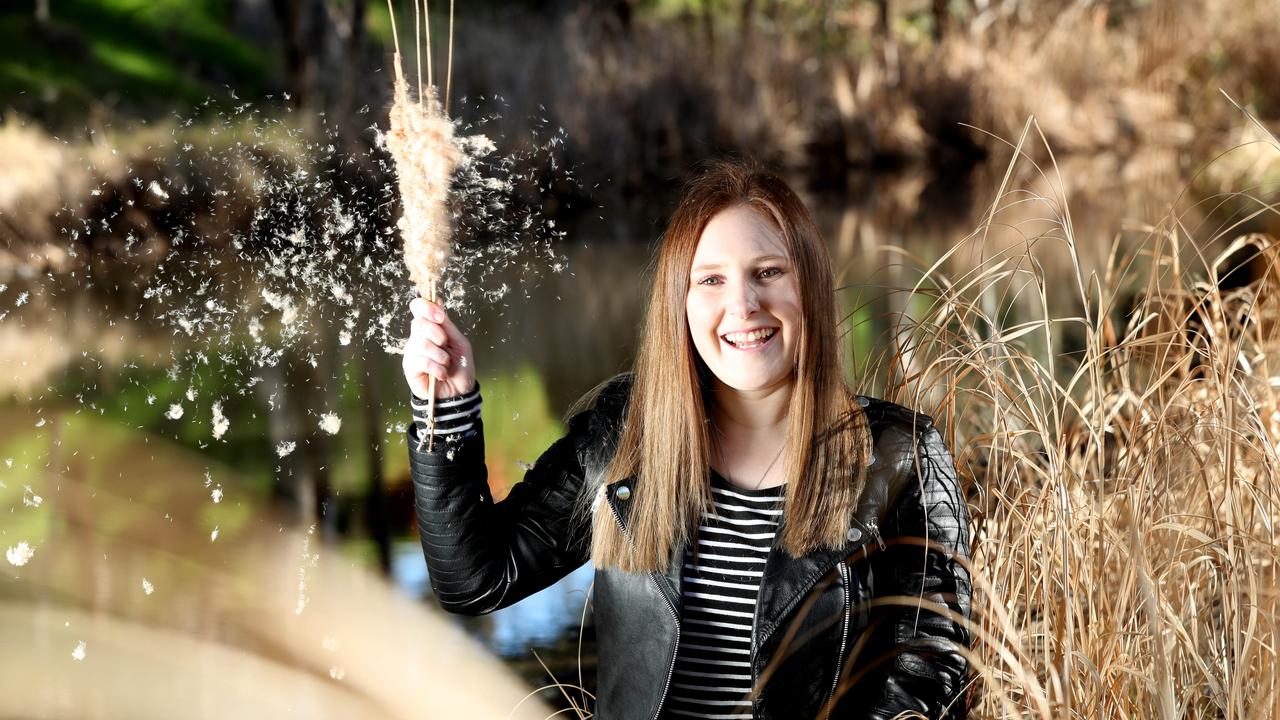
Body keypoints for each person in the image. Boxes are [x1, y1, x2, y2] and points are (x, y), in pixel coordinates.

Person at [402, 159, 972, 719]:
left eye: (769, 271)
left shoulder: (900, 456)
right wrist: (448, 407)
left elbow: (930, 670)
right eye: (711, 280)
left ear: (812, 286)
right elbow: (477, 581)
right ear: (680, 300)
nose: (743, 305)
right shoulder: (626, 431)